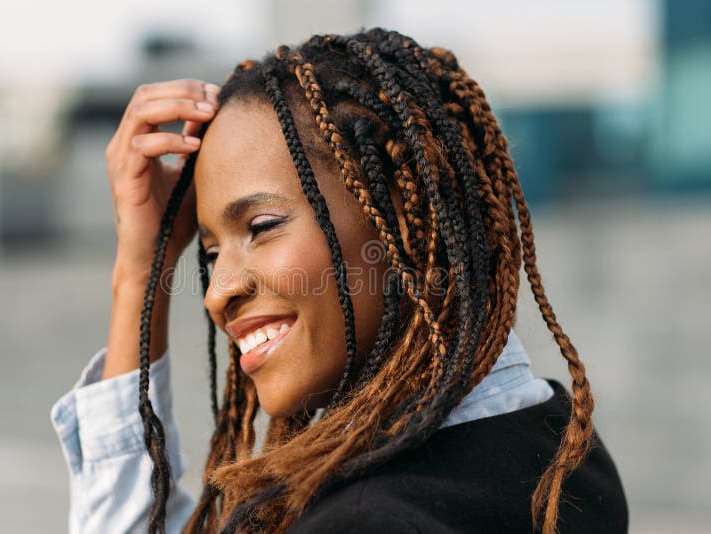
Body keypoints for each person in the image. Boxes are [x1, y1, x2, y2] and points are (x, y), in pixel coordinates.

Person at [51, 28, 628, 533]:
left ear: (401, 213)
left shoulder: (371, 520)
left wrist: (135, 275)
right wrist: (143, 264)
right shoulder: (558, 444)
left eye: (261, 225)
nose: (216, 291)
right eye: (207, 251)